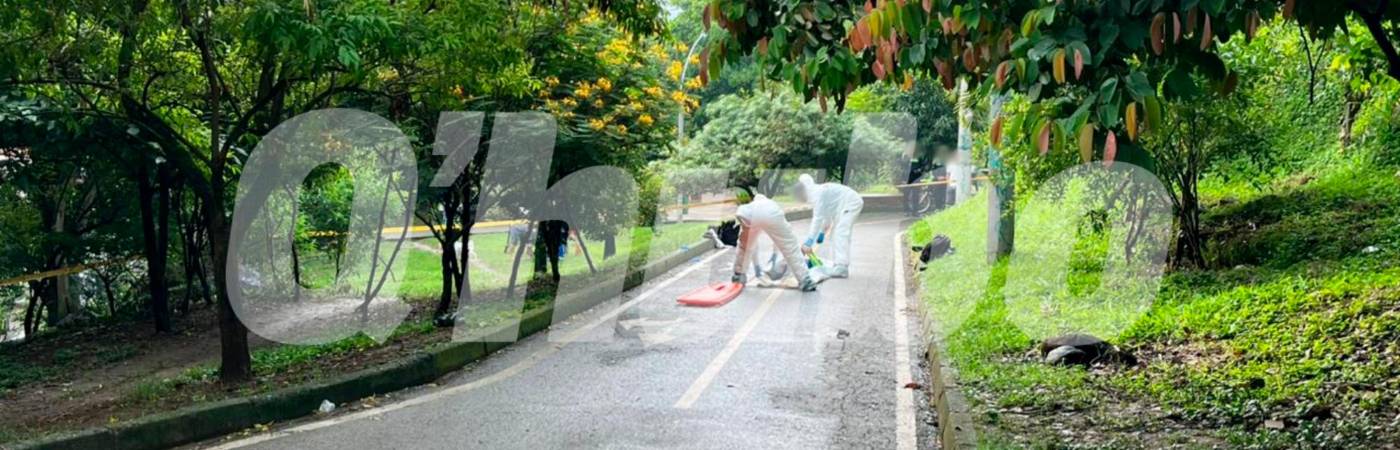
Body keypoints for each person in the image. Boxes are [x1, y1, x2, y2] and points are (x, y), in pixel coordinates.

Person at [730, 187, 817, 292]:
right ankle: (805, 280)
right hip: (773, 214)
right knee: (790, 247)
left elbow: (750, 245)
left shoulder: (747, 207)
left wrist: (756, 265)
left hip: (748, 215)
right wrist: (775, 253)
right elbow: (782, 242)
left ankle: (739, 276)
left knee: (745, 246)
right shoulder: (769, 203)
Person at [794, 174, 864, 280]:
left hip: (851, 203)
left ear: (802, 192)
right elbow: (826, 217)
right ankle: (839, 264)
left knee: (841, 233)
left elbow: (817, 219)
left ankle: (841, 267)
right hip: (844, 205)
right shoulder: (817, 192)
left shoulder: (817, 194)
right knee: (836, 234)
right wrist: (822, 233)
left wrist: (809, 241)